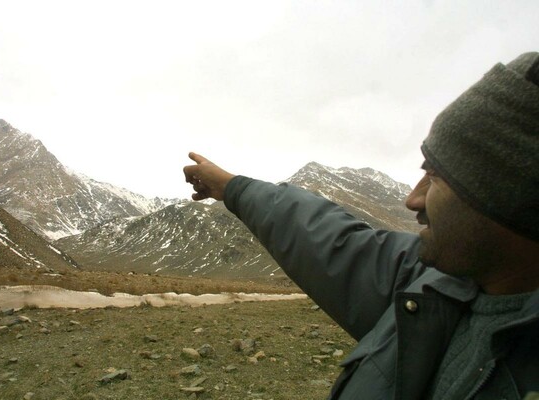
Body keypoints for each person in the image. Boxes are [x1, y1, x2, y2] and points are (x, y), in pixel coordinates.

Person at [183, 52, 539, 399]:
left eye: (436, 177)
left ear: (502, 196)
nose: (412, 200)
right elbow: (334, 244)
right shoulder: (435, 281)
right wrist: (232, 187)